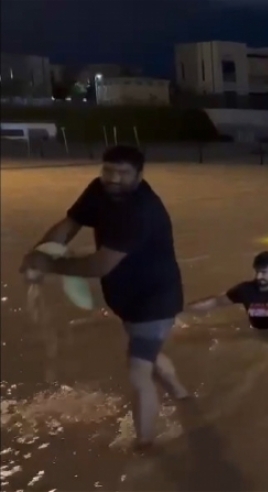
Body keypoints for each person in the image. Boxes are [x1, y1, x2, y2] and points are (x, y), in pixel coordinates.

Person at [20, 145, 188, 450]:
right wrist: (39, 253)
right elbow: (69, 224)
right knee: (147, 353)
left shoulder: (140, 211)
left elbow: (100, 264)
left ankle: (146, 444)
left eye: (123, 173)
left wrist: (51, 265)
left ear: (139, 176)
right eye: (108, 170)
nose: (113, 178)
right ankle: (183, 395)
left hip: (155, 298)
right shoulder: (99, 190)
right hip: (126, 296)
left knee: (138, 372)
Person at [185, 251, 268, 342]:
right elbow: (215, 302)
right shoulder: (245, 290)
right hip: (257, 335)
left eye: (264, 272)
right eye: (257, 272)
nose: (258, 276)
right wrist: (181, 308)